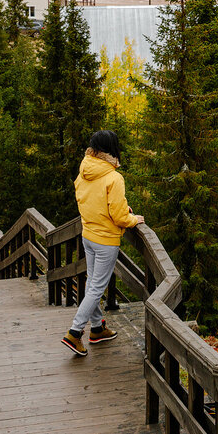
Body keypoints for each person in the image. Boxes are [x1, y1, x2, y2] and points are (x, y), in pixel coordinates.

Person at [62, 130, 144, 357]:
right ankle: (75, 332)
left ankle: (97, 329)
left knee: (92, 283)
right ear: (112, 149)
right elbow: (118, 217)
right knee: (97, 287)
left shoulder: (84, 171)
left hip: (88, 235)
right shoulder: (113, 178)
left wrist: (117, 211)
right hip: (106, 240)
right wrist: (132, 219)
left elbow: (87, 201)